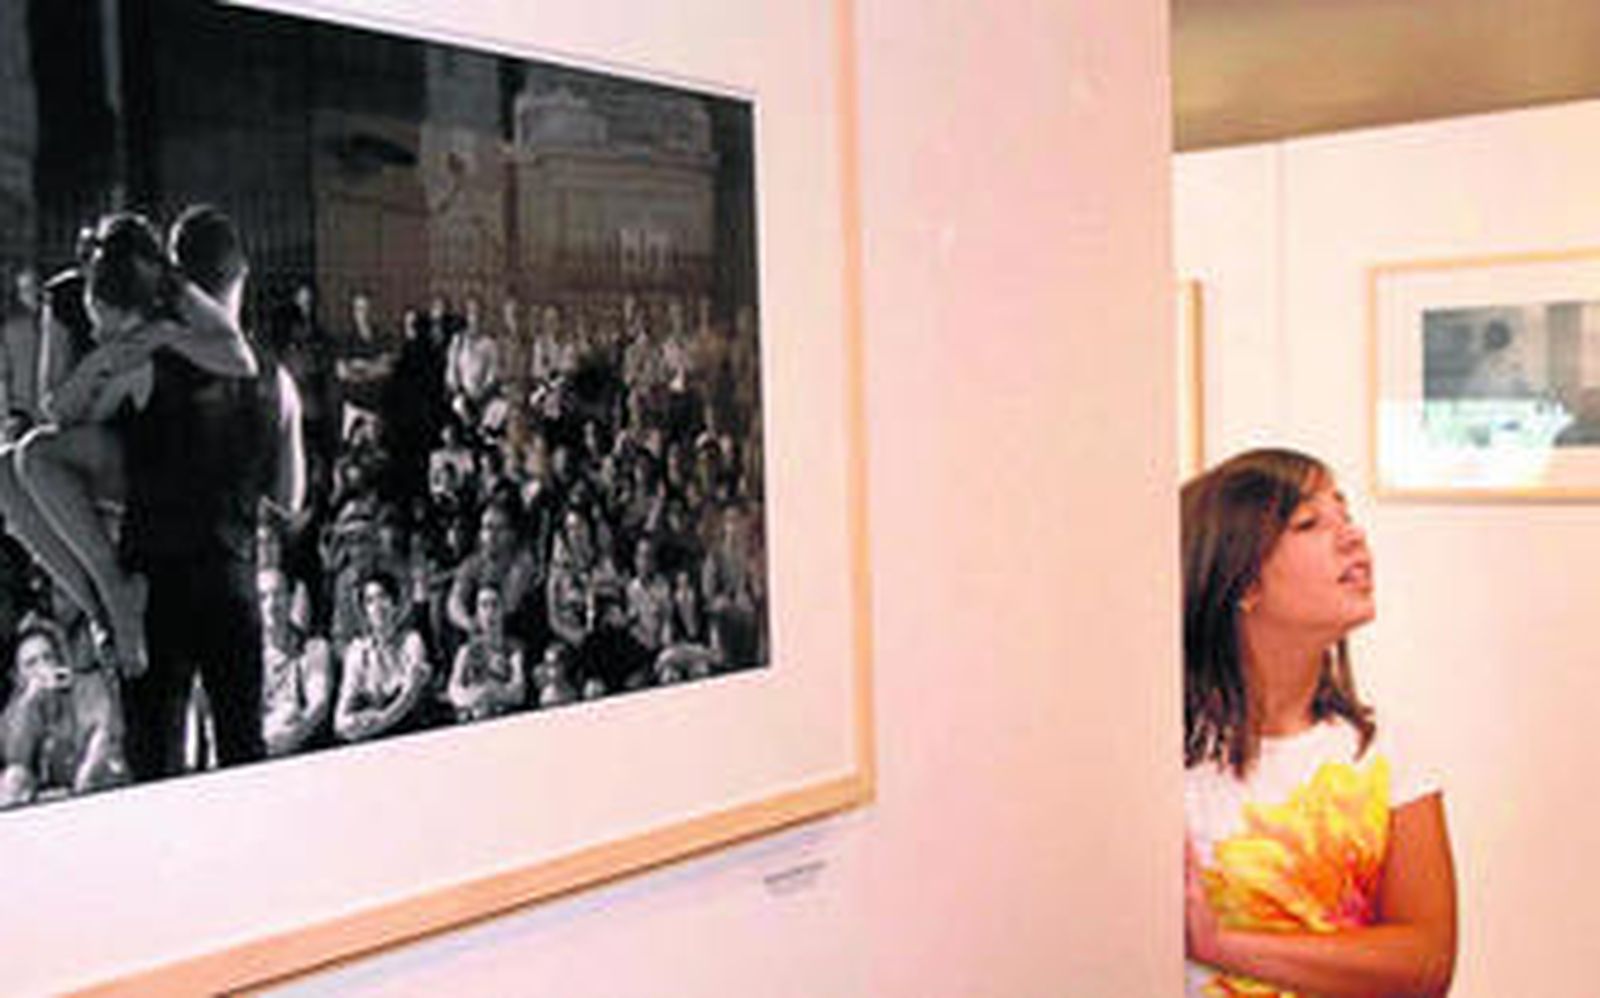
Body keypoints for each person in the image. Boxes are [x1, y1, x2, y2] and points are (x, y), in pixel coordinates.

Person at [1181, 448, 1456, 997]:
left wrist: (1221, 945)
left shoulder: (1382, 749)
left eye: (1345, 513)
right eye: (1309, 522)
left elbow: (1427, 965)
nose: (1352, 536)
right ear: (1242, 583)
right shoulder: (1159, 759)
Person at [0, 214, 256, 674]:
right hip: (100, 440)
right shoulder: (64, 298)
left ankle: (114, 600)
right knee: (6, 469)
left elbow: (240, 359)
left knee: (34, 456)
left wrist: (165, 335)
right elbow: (55, 409)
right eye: (94, 318)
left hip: (153, 455)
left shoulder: (170, 289)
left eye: (108, 324)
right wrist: (99, 361)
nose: (97, 330)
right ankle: (104, 605)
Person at [117, 205, 297, 781]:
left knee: (154, 762)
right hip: (230, 585)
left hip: (152, 590)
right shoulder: (277, 379)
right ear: (240, 275)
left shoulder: (144, 360)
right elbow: (290, 500)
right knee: (244, 755)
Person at [0, 614, 126, 806]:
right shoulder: (17, 709)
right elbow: (15, 759)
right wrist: (29, 703)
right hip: (42, 796)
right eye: (31, 663)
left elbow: (103, 737)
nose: (41, 667)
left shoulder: (85, 689)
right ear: (17, 677)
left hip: (90, 783)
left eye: (47, 657)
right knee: (12, 779)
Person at [333, 569, 432, 742]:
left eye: (383, 597)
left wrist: (380, 720)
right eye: (370, 601)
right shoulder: (357, 651)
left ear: (395, 603)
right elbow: (340, 720)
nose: (377, 606)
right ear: (365, 611)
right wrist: (352, 724)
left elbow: (409, 698)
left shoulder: (412, 641)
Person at [260, 567, 332, 757]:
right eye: (263, 597)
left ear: (291, 599)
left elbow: (319, 704)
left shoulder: (315, 648)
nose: (271, 604)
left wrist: (291, 738)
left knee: (291, 711)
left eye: (278, 595)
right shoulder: (246, 658)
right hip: (261, 748)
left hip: (302, 751)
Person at [445, 579, 526, 722]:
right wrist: (475, 697)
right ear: (477, 612)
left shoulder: (513, 649)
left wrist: (491, 692)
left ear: (503, 609)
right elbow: (453, 690)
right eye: (484, 605)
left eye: (494, 605)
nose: (490, 612)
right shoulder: (466, 651)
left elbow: (519, 692)